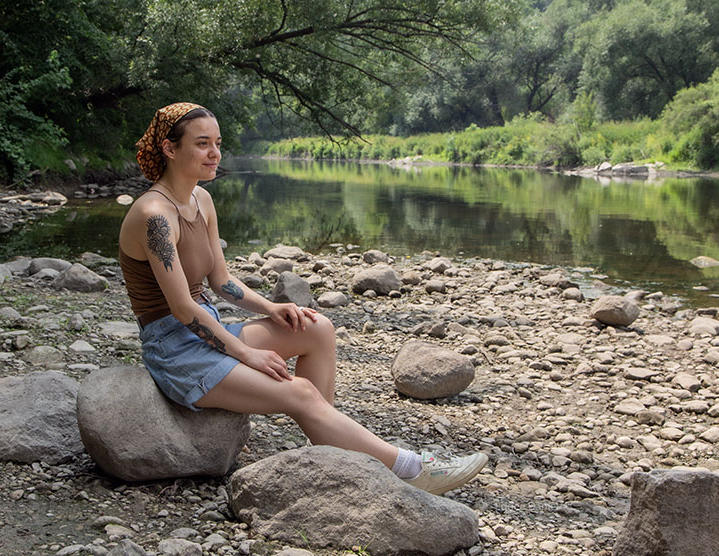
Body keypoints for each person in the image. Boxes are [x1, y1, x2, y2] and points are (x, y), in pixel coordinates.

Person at [118, 102, 487, 495]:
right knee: (300, 391)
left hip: (205, 329)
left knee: (316, 328)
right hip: (174, 349)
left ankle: (329, 447)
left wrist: (272, 307)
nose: (215, 154)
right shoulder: (154, 215)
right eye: (203, 144)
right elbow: (182, 307)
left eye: (218, 143)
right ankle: (411, 469)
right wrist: (248, 355)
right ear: (170, 149)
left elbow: (222, 281)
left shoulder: (200, 201)